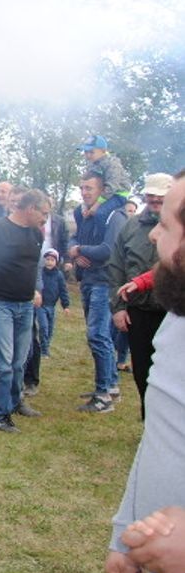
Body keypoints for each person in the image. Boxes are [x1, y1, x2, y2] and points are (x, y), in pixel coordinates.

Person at [104, 170, 185, 573]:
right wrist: (124, 536)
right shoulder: (177, 320)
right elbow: (161, 436)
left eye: (167, 226)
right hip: (153, 557)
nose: (153, 237)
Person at [0, 188, 50, 432]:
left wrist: (34, 290)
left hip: (25, 304)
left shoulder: (36, 233)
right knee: (3, 362)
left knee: (19, 361)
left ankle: (15, 402)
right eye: (43, 213)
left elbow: (32, 267)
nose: (45, 219)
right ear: (30, 209)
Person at [108, 172, 172, 419]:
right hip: (138, 313)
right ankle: (149, 423)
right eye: (150, 194)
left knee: (171, 375)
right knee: (142, 372)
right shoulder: (131, 226)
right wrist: (118, 308)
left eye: (160, 195)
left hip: (172, 313)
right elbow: (116, 268)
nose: (155, 199)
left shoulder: (179, 225)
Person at [70, 172, 129, 413]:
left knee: (98, 336)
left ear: (103, 189)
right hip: (89, 281)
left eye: (90, 188)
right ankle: (110, 385)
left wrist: (80, 250)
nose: (85, 192)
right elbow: (73, 238)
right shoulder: (84, 214)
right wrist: (75, 249)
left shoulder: (114, 216)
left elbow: (107, 250)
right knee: (96, 336)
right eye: (82, 188)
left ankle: (104, 395)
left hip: (104, 283)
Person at [79, 134, 132, 218]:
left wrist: (96, 205)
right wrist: (84, 206)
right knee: (78, 212)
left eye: (91, 152)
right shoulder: (91, 164)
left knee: (100, 213)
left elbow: (112, 186)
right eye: (86, 152)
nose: (88, 155)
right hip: (101, 194)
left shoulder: (112, 164)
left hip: (117, 194)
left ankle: (103, 231)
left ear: (103, 151)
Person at [36, 248, 70, 358]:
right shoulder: (40, 273)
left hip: (52, 306)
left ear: (56, 262)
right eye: (47, 259)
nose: (49, 262)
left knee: (50, 329)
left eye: (52, 260)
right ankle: (44, 350)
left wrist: (66, 305)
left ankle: (46, 345)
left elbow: (63, 290)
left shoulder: (59, 275)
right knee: (43, 327)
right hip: (41, 305)